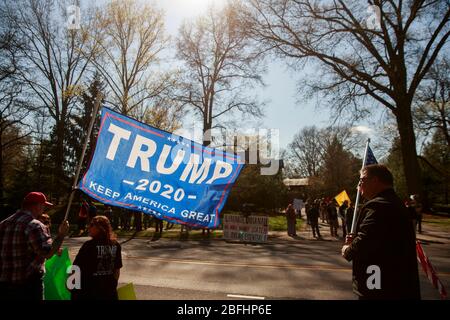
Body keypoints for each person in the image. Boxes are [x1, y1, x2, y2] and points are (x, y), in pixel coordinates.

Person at [341, 164, 420, 299]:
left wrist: (347, 248)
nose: (359, 186)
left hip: (378, 284)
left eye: (361, 180)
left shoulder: (378, 206)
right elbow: (379, 239)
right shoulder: (395, 202)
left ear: (375, 180)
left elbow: (362, 244)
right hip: (395, 281)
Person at [0, 192, 69, 300]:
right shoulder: (34, 225)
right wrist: (61, 235)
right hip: (28, 285)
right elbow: (48, 252)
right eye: (43, 206)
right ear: (37, 206)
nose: (44, 209)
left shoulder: (4, 223)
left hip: (5, 284)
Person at [71, 216, 122, 300]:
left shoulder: (89, 245)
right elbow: (117, 270)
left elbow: (76, 268)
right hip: (109, 293)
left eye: (91, 225)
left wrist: (70, 285)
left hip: (88, 292)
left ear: (100, 228)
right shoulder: (115, 245)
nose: (88, 227)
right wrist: (112, 286)